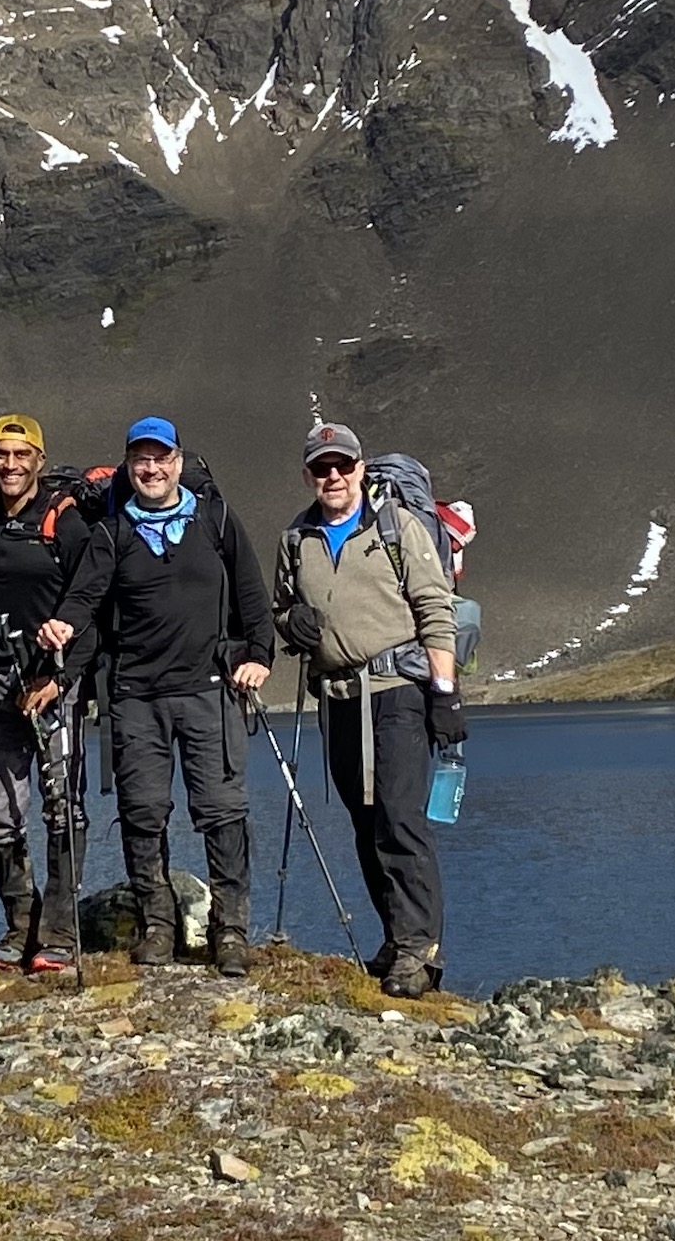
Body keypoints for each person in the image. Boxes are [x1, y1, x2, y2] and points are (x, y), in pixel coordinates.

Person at [39, 417, 273, 977]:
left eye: (160, 457)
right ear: (128, 465)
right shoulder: (113, 532)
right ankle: (159, 926)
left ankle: (231, 931)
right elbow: (85, 596)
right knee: (142, 813)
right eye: (140, 459)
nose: (151, 468)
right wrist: (63, 625)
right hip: (136, 696)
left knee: (221, 812)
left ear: (177, 461)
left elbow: (251, 595)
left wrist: (259, 655)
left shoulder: (214, 519)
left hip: (209, 689)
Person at [271, 422, 462, 999]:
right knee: (363, 822)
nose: (333, 476)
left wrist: (446, 692)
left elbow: (435, 607)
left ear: (361, 468)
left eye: (343, 466)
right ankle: (395, 935)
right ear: (308, 475)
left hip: (398, 692)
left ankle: (420, 951)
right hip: (338, 698)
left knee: (401, 822)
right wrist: (291, 624)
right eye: (322, 468)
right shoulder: (295, 539)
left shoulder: (397, 527)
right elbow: (282, 608)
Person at [0, 414, 94, 973]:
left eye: (20, 455)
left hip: (54, 685)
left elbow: (92, 607)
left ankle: (60, 930)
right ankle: (20, 927)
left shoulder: (67, 522)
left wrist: (60, 678)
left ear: (39, 459)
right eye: (0, 455)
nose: (9, 465)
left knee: (62, 806)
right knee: (2, 813)